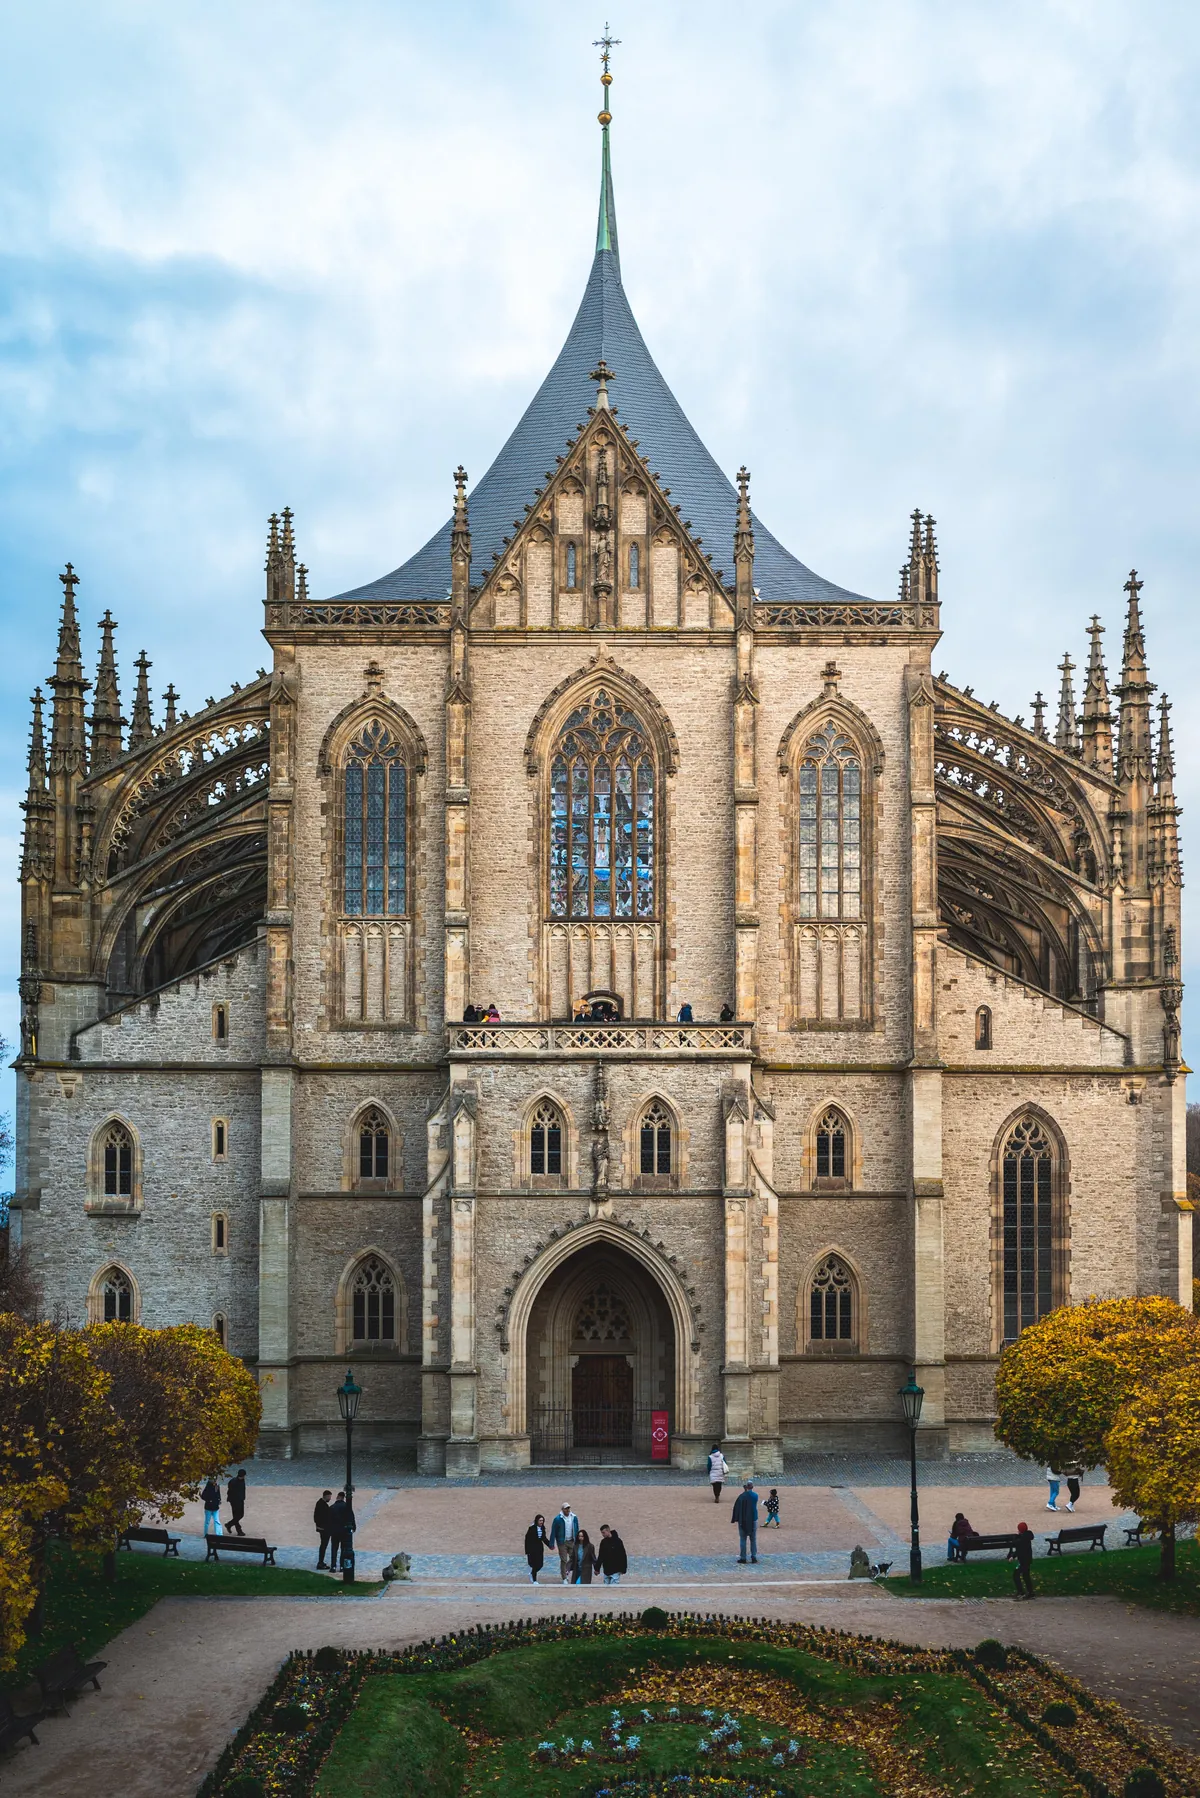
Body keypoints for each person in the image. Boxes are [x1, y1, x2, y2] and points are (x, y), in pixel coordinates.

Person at [549, 1502, 580, 1584]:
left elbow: (577, 1529)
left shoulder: (574, 1517)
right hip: (562, 1542)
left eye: (568, 1508)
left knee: (574, 1558)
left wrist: (578, 1541)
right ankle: (564, 1577)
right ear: (562, 1509)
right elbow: (553, 1531)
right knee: (564, 1560)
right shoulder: (557, 1519)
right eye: (566, 1508)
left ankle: (574, 1575)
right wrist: (551, 1543)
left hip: (572, 1541)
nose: (567, 1510)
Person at [732, 1480, 759, 1565]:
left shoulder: (741, 1496)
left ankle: (743, 1557)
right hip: (753, 1519)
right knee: (753, 1539)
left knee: (743, 1539)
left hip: (743, 1519)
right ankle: (753, 1556)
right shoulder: (755, 1496)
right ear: (752, 1487)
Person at [329, 1489, 352, 1571]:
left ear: (338, 1497)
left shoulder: (332, 1507)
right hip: (343, 1531)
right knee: (343, 1549)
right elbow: (351, 1517)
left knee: (334, 1549)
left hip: (334, 1531)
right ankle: (342, 1566)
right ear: (343, 1498)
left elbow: (328, 1520)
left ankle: (333, 1566)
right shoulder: (346, 1507)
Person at [1012, 1520, 1036, 1598]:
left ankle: (1021, 1591)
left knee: (1016, 1575)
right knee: (1026, 1576)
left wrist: (1013, 1556)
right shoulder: (1027, 1537)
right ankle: (1030, 1592)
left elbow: (1019, 1549)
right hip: (1027, 1560)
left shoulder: (1022, 1539)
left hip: (1023, 1561)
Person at [524, 1513, 548, 1583]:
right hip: (532, 1549)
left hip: (539, 1549)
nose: (541, 1522)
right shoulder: (532, 1528)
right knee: (534, 1564)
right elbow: (527, 1540)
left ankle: (532, 1573)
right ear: (537, 1521)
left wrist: (550, 1545)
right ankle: (534, 1579)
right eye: (540, 1520)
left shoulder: (543, 1528)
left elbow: (544, 1538)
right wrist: (527, 1551)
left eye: (542, 1521)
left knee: (540, 1564)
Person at [314, 1489, 334, 1569]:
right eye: (329, 1497)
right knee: (323, 1545)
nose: (330, 1498)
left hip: (322, 1528)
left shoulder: (320, 1503)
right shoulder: (322, 1505)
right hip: (324, 1529)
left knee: (323, 1545)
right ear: (326, 1496)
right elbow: (323, 1517)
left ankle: (321, 1562)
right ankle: (320, 1562)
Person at [226, 1468, 247, 1536]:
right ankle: (239, 1531)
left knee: (240, 1515)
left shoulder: (242, 1481)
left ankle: (229, 1524)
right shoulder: (233, 1482)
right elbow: (230, 1492)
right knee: (236, 1516)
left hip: (240, 1500)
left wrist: (242, 1498)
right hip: (234, 1501)